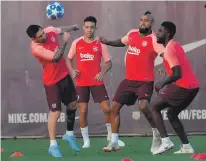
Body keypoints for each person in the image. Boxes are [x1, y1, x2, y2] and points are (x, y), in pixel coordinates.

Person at [99, 11, 165, 152]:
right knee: (113, 108)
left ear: (152, 23)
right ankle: (115, 142)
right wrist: (108, 42)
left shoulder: (154, 39)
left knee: (143, 106)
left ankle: (157, 135)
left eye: (146, 20)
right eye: (141, 20)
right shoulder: (132, 34)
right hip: (129, 80)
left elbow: (165, 54)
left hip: (145, 81)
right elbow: (121, 42)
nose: (143, 22)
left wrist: (165, 67)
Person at [66, 16, 124, 148]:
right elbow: (68, 59)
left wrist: (102, 72)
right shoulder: (77, 43)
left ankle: (110, 136)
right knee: (83, 110)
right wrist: (72, 70)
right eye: (87, 27)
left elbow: (108, 63)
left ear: (95, 28)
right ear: (83, 28)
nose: (89, 30)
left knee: (107, 109)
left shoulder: (100, 43)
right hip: (81, 82)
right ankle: (86, 141)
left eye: (92, 27)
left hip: (96, 81)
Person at [26, 24, 80, 158]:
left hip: (64, 75)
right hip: (51, 81)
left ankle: (68, 135)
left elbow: (60, 29)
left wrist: (72, 27)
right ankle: (53, 145)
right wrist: (66, 41)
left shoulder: (48, 31)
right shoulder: (36, 48)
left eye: (43, 33)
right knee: (55, 113)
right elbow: (56, 57)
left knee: (73, 104)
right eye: (40, 36)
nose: (44, 36)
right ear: (34, 39)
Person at [151, 21, 200, 155]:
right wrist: (167, 76)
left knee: (154, 107)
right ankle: (187, 146)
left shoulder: (169, 50)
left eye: (160, 31)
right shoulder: (175, 45)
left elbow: (178, 73)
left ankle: (166, 142)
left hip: (185, 87)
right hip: (193, 87)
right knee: (171, 113)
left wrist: (162, 83)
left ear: (168, 33)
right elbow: (178, 68)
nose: (157, 34)